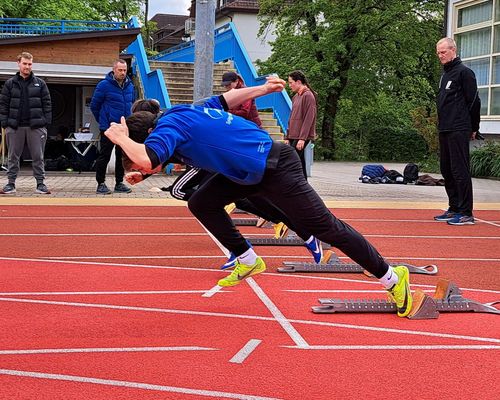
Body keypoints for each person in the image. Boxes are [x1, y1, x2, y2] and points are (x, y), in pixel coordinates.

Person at [105, 76, 413, 318]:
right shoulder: (179, 112)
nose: (138, 164)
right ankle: (248, 258)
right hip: (246, 173)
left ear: (146, 135)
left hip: (276, 166)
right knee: (200, 200)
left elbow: (148, 156)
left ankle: (392, 277)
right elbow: (225, 99)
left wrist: (122, 140)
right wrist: (262, 89)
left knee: (327, 227)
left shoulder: (165, 130)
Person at [434, 38, 481, 226]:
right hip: (444, 127)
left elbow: (474, 101)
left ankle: (466, 212)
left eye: (443, 52)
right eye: (438, 53)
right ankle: (453, 207)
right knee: (446, 169)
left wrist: (474, 127)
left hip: (459, 128)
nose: (440, 56)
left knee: (460, 170)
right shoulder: (445, 75)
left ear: (453, 50)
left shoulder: (465, 73)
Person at [0, 52, 52, 194]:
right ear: (18, 63)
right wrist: (5, 123)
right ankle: (10, 184)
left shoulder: (40, 83)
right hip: (14, 127)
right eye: (24, 63)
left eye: (29, 64)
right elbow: (3, 104)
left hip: (36, 127)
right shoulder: (10, 84)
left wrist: (45, 122)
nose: (27, 66)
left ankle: (40, 184)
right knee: (13, 157)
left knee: (38, 156)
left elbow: (47, 104)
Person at [90, 59, 135, 194]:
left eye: (124, 70)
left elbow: (132, 104)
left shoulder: (130, 86)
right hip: (108, 128)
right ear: (114, 70)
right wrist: (104, 121)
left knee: (121, 156)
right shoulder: (104, 85)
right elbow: (94, 105)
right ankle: (101, 183)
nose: (122, 73)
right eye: (120, 70)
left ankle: (119, 183)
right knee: (105, 155)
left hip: (124, 128)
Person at [286, 70, 317, 180]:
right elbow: (291, 118)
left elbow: (309, 119)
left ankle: (296, 185)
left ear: (298, 82)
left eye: (291, 83)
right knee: (300, 162)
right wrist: (287, 136)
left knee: (291, 161)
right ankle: (304, 185)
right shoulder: (295, 97)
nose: (289, 86)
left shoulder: (308, 96)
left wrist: (302, 138)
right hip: (294, 135)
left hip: (301, 137)